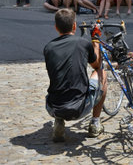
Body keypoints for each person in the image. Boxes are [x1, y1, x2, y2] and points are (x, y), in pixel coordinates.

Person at [44, 9, 106, 141]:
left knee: (60, 79)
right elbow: (96, 65)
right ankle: (95, 123)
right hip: (80, 108)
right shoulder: (83, 43)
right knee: (102, 72)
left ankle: (59, 121)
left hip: (53, 107)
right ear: (74, 26)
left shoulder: (48, 47)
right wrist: (95, 40)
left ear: (56, 27)